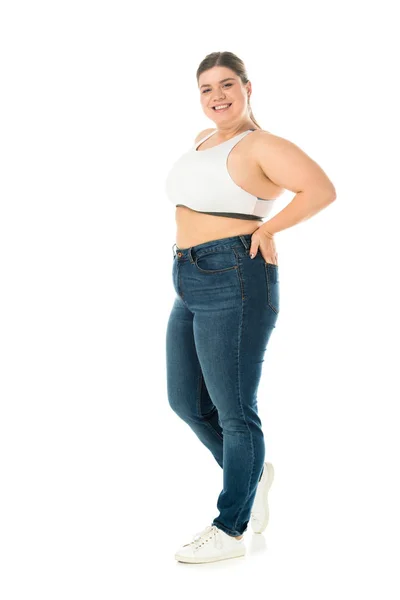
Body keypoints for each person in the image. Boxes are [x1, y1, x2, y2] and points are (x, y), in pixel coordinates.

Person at [165, 51, 336, 564]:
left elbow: (321, 190)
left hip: (235, 274)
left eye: (226, 85)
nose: (216, 96)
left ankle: (231, 527)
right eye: (206, 88)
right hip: (188, 273)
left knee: (236, 412)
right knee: (186, 402)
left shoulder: (261, 144)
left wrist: (266, 229)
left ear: (247, 87)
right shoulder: (202, 142)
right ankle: (253, 474)